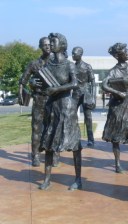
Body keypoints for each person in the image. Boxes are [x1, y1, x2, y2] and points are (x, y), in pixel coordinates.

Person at [39, 33, 82, 190]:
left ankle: (78, 179)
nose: (50, 44)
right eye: (49, 41)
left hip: (66, 107)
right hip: (52, 107)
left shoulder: (69, 65)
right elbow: (44, 86)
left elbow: (75, 83)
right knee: (49, 142)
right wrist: (35, 84)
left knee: (74, 143)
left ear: (62, 45)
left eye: (53, 41)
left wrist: (57, 88)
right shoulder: (47, 66)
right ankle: (47, 179)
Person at [102, 43, 128, 174]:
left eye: (127, 50)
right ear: (117, 55)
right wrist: (118, 93)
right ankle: (117, 164)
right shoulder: (113, 71)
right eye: (124, 51)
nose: (127, 52)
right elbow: (104, 85)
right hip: (118, 106)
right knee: (116, 136)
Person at [18, 37, 59, 167]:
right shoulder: (34, 64)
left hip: (53, 100)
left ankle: (54, 154)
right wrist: (30, 83)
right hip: (39, 99)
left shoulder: (57, 63)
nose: (48, 47)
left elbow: (65, 80)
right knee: (36, 128)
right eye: (45, 45)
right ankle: (35, 155)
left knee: (53, 128)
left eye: (49, 45)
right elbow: (22, 81)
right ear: (40, 46)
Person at [72, 46, 96, 147]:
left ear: (80, 54)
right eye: (72, 53)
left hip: (85, 94)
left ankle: (91, 139)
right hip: (75, 94)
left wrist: (93, 98)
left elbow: (93, 83)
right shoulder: (71, 67)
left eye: (74, 53)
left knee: (88, 117)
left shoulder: (87, 66)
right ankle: (74, 137)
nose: (73, 55)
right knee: (71, 116)